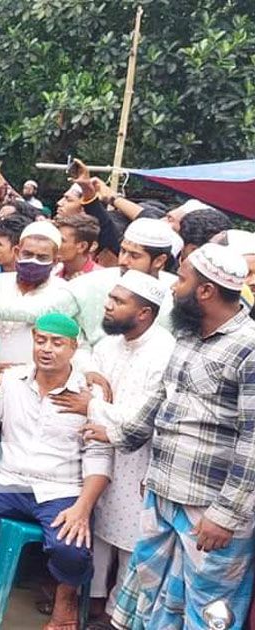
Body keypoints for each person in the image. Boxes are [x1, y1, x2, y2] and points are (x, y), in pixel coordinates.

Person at [84, 243, 255, 629]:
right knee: (152, 593)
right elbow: (162, 398)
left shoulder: (249, 347)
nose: (174, 288)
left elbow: (252, 442)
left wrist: (226, 515)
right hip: (164, 491)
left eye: (181, 279)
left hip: (210, 509)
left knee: (207, 608)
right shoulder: (189, 335)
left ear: (206, 291)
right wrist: (117, 433)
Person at [0, 313, 110, 628]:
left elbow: (99, 456)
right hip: (9, 480)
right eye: (41, 340)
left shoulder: (88, 395)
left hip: (62, 490)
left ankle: (65, 604)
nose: (47, 349)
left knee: (70, 548)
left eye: (58, 343)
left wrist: (83, 508)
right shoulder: (11, 381)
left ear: (74, 348)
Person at [49, 271, 174, 624]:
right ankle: (90, 600)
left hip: (139, 457)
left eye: (118, 301)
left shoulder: (164, 352)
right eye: (110, 297)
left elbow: (142, 417)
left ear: (144, 314)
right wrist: (90, 376)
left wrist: (92, 406)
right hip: (98, 453)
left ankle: (117, 613)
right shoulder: (108, 344)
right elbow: (88, 370)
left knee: (131, 540)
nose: (107, 304)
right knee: (96, 530)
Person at [0, 217, 178, 360]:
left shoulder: (175, 294)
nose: (124, 261)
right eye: (123, 251)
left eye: (134, 255)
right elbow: (42, 309)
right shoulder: (94, 282)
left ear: (159, 261)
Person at [0, 221, 67, 366]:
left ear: (55, 261)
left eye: (42, 258)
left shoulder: (63, 292)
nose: (33, 261)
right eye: (28, 254)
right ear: (17, 252)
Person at [54, 213, 100, 280]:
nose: (55, 243)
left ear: (82, 247)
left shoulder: (99, 279)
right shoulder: (52, 271)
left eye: (62, 240)